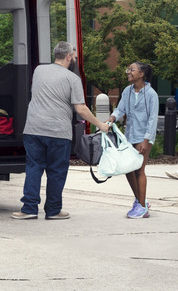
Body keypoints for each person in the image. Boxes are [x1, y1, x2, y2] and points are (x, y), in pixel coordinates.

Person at [12, 42, 110, 220]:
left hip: (33, 129)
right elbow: (80, 109)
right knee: (56, 171)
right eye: (73, 56)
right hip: (58, 132)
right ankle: (53, 210)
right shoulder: (73, 79)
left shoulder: (39, 71)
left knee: (34, 168)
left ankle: (29, 209)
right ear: (69, 57)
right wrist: (100, 125)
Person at [108, 61, 159, 219]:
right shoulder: (127, 91)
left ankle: (142, 207)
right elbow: (120, 109)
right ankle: (140, 200)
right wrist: (112, 119)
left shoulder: (151, 95)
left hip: (144, 137)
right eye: (128, 69)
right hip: (129, 136)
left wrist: (146, 140)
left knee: (139, 170)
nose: (128, 72)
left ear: (141, 74)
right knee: (128, 169)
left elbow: (152, 119)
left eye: (132, 70)